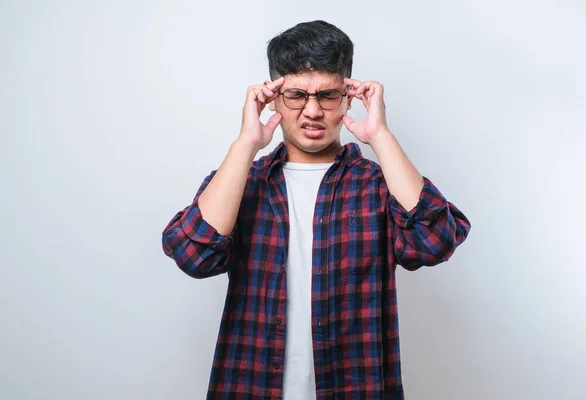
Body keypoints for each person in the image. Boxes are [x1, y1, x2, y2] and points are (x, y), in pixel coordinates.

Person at [162, 20, 471, 400]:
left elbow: (434, 243)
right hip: (250, 386)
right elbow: (193, 256)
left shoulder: (378, 185)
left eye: (327, 95)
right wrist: (247, 142)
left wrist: (381, 137)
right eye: (295, 95)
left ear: (349, 96)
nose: (312, 111)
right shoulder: (241, 181)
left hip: (354, 387)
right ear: (272, 96)